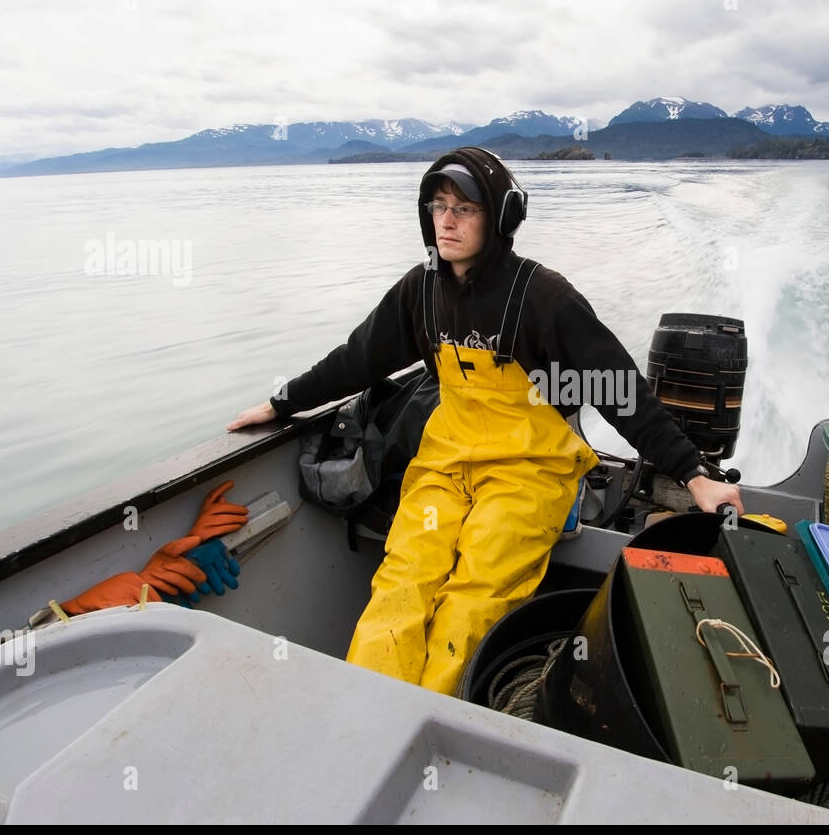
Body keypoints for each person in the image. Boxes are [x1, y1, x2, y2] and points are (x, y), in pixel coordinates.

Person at [228, 146, 743, 694]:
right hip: (445, 464)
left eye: (465, 209)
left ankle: (435, 727)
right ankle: (366, 716)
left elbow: (618, 391)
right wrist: (283, 403)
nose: (446, 221)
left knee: (471, 601)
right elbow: (359, 358)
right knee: (402, 581)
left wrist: (695, 474)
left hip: (528, 474)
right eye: (438, 206)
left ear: (499, 217)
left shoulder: (542, 297)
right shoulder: (421, 289)